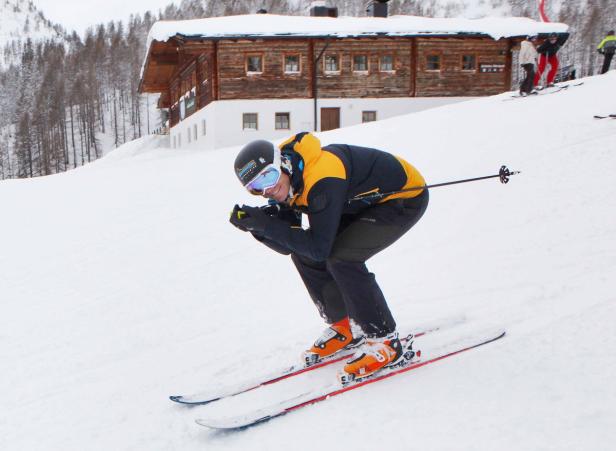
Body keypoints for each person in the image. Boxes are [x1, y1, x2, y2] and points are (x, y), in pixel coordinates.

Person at [229, 132, 429, 380]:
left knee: (342, 258)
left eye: (268, 176)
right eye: (256, 188)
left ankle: (385, 341)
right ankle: (346, 325)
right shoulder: (289, 179)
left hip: (401, 199)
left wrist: (267, 226)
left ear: (282, 164)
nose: (267, 189)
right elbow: (290, 245)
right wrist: (257, 227)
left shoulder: (322, 177)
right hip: (357, 204)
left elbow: (320, 248)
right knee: (304, 255)